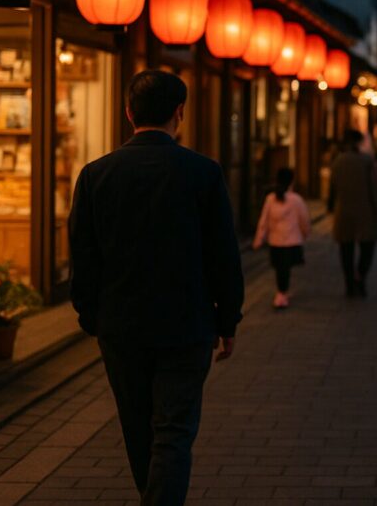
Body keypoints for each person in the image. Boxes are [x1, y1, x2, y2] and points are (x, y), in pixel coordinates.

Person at [70, 70, 244, 505]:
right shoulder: (202, 173)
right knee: (173, 432)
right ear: (179, 113)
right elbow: (224, 253)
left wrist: (91, 317)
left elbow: (83, 256)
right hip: (187, 324)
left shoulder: (96, 175)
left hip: (121, 327)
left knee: (137, 426)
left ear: (129, 113)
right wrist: (228, 319)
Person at [329, 128, 377, 297]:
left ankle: (349, 283)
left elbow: (332, 188)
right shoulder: (367, 161)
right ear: (359, 143)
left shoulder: (337, 161)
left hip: (343, 210)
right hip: (366, 210)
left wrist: (331, 206)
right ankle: (360, 277)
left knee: (346, 248)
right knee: (367, 246)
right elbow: (375, 188)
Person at [253, 167, 311, 310]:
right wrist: (305, 233)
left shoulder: (270, 199)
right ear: (292, 181)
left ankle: (282, 293)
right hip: (292, 241)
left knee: (280, 269)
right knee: (285, 269)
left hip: (276, 241)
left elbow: (263, 221)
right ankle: (282, 294)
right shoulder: (296, 200)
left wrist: (259, 239)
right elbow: (304, 220)